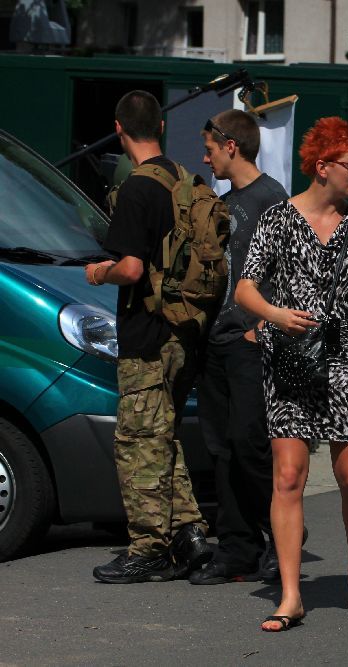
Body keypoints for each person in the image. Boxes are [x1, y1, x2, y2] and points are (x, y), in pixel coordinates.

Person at [234, 116, 348, 630]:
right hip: (289, 360)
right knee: (288, 476)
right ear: (323, 166)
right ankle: (290, 594)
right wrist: (275, 315)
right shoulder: (278, 220)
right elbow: (245, 288)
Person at [84, 90, 212, 584]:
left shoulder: (137, 188)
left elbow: (132, 268)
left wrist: (100, 273)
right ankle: (191, 535)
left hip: (147, 333)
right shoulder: (182, 180)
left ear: (119, 129)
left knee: (137, 442)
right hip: (184, 331)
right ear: (159, 128)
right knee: (164, 438)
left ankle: (147, 548)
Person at [191, 110, 288, 584]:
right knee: (221, 447)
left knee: (249, 444)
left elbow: (290, 273)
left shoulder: (272, 198)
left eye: (209, 148)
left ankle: (282, 530)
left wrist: (261, 328)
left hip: (252, 341)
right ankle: (236, 549)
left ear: (231, 146)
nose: (204, 156)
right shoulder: (222, 202)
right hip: (216, 338)